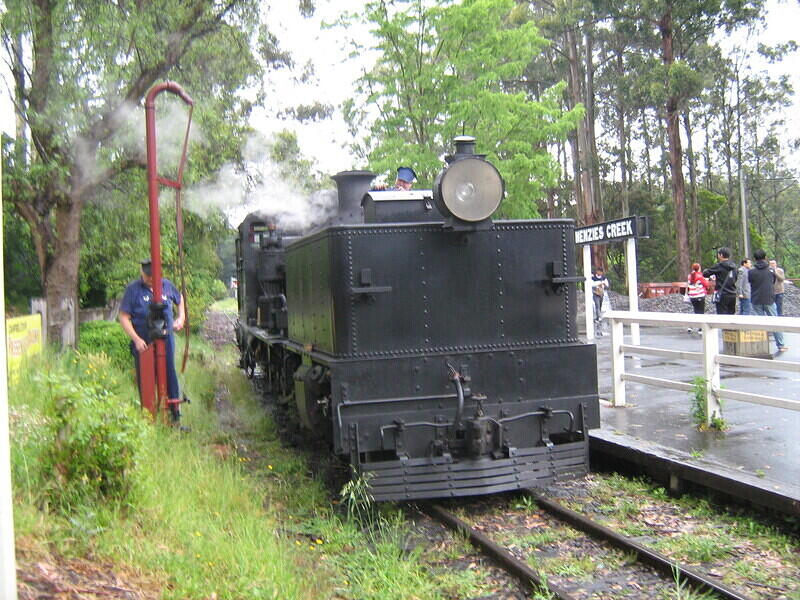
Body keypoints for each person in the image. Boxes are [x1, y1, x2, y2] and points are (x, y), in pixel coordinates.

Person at [119, 259, 186, 421]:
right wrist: (136, 339)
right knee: (146, 380)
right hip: (144, 343)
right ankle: (148, 417)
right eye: (147, 275)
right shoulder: (133, 290)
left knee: (170, 375)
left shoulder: (167, 285)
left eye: (153, 275)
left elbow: (180, 299)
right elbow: (123, 316)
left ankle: (173, 414)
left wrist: (181, 318)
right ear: (142, 273)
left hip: (167, 341)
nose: (150, 278)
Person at [748, 249, 787, 352]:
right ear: (765, 258)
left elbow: (751, 282)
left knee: (758, 323)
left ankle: (759, 346)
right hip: (769, 298)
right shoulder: (771, 270)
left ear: (755, 259)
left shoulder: (751, 271)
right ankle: (781, 345)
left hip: (756, 298)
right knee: (774, 321)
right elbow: (773, 281)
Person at [703, 247, 737, 315]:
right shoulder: (734, 266)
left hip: (722, 294)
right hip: (733, 294)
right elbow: (735, 278)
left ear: (721, 255)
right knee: (731, 315)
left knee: (722, 316)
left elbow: (705, 274)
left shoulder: (719, 266)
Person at [686, 263, 709, 333]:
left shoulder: (689, 276)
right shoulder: (700, 276)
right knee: (701, 312)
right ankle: (700, 328)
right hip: (700, 295)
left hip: (692, 296)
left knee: (695, 311)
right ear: (699, 268)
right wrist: (707, 280)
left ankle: (690, 326)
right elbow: (706, 284)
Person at [591, 267, 610, 334]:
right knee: (597, 305)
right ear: (597, 271)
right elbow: (591, 284)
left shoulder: (604, 278)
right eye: (599, 271)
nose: (600, 273)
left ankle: (597, 316)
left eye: (601, 272)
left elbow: (607, 285)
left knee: (600, 305)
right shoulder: (593, 277)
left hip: (601, 293)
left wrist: (604, 284)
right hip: (595, 293)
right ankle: (599, 317)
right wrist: (598, 284)